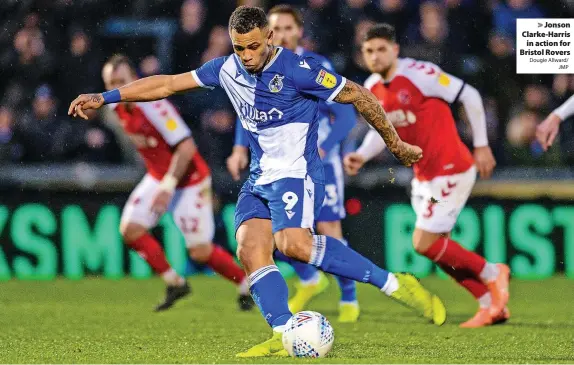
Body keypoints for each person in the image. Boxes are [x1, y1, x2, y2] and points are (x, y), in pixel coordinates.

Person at [69, 7, 445, 358]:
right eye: (239, 47)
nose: (247, 55)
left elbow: (359, 95)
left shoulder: (300, 70)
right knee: (249, 249)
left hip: (296, 173)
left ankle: (393, 284)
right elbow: (166, 84)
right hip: (259, 176)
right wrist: (104, 97)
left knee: (293, 245)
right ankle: (286, 332)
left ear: (269, 37)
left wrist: (394, 143)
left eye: (253, 46)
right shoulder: (225, 68)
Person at [344, 24, 510, 328]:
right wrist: (362, 156)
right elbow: (382, 132)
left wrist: (482, 145)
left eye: (382, 49)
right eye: (369, 51)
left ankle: (492, 272)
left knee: (423, 242)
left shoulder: (420, 74)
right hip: (422, 176)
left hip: (451, 167)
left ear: (395, 50)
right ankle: (490, 305)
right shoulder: (372, 88)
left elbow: (470, 95)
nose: (375, 56)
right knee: (439, 249)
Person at [226, 4, 359, 323]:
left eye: (288, 28)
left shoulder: (314, 65)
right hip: (278, 165)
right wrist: (238, 148)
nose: (283, 34)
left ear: (299, 31)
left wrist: (326, 147)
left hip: (317, 163)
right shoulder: (255, 68)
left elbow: (345, 114)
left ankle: (349, 298)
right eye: (277, 29)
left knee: (328, 231)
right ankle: (311, 280)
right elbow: (248, 114)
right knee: (278, 234)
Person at [100, 55, 254, 312]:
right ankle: (175, 282)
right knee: (130, 230)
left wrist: (168, 187)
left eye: (123, 81)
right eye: (112, 83)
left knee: (200, 252)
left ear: (135, 80)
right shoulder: (115, 108)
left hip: (188, 181)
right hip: (158, 177)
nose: (119, 88)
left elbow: (186, 147)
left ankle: (245, 283)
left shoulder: (153, 106)